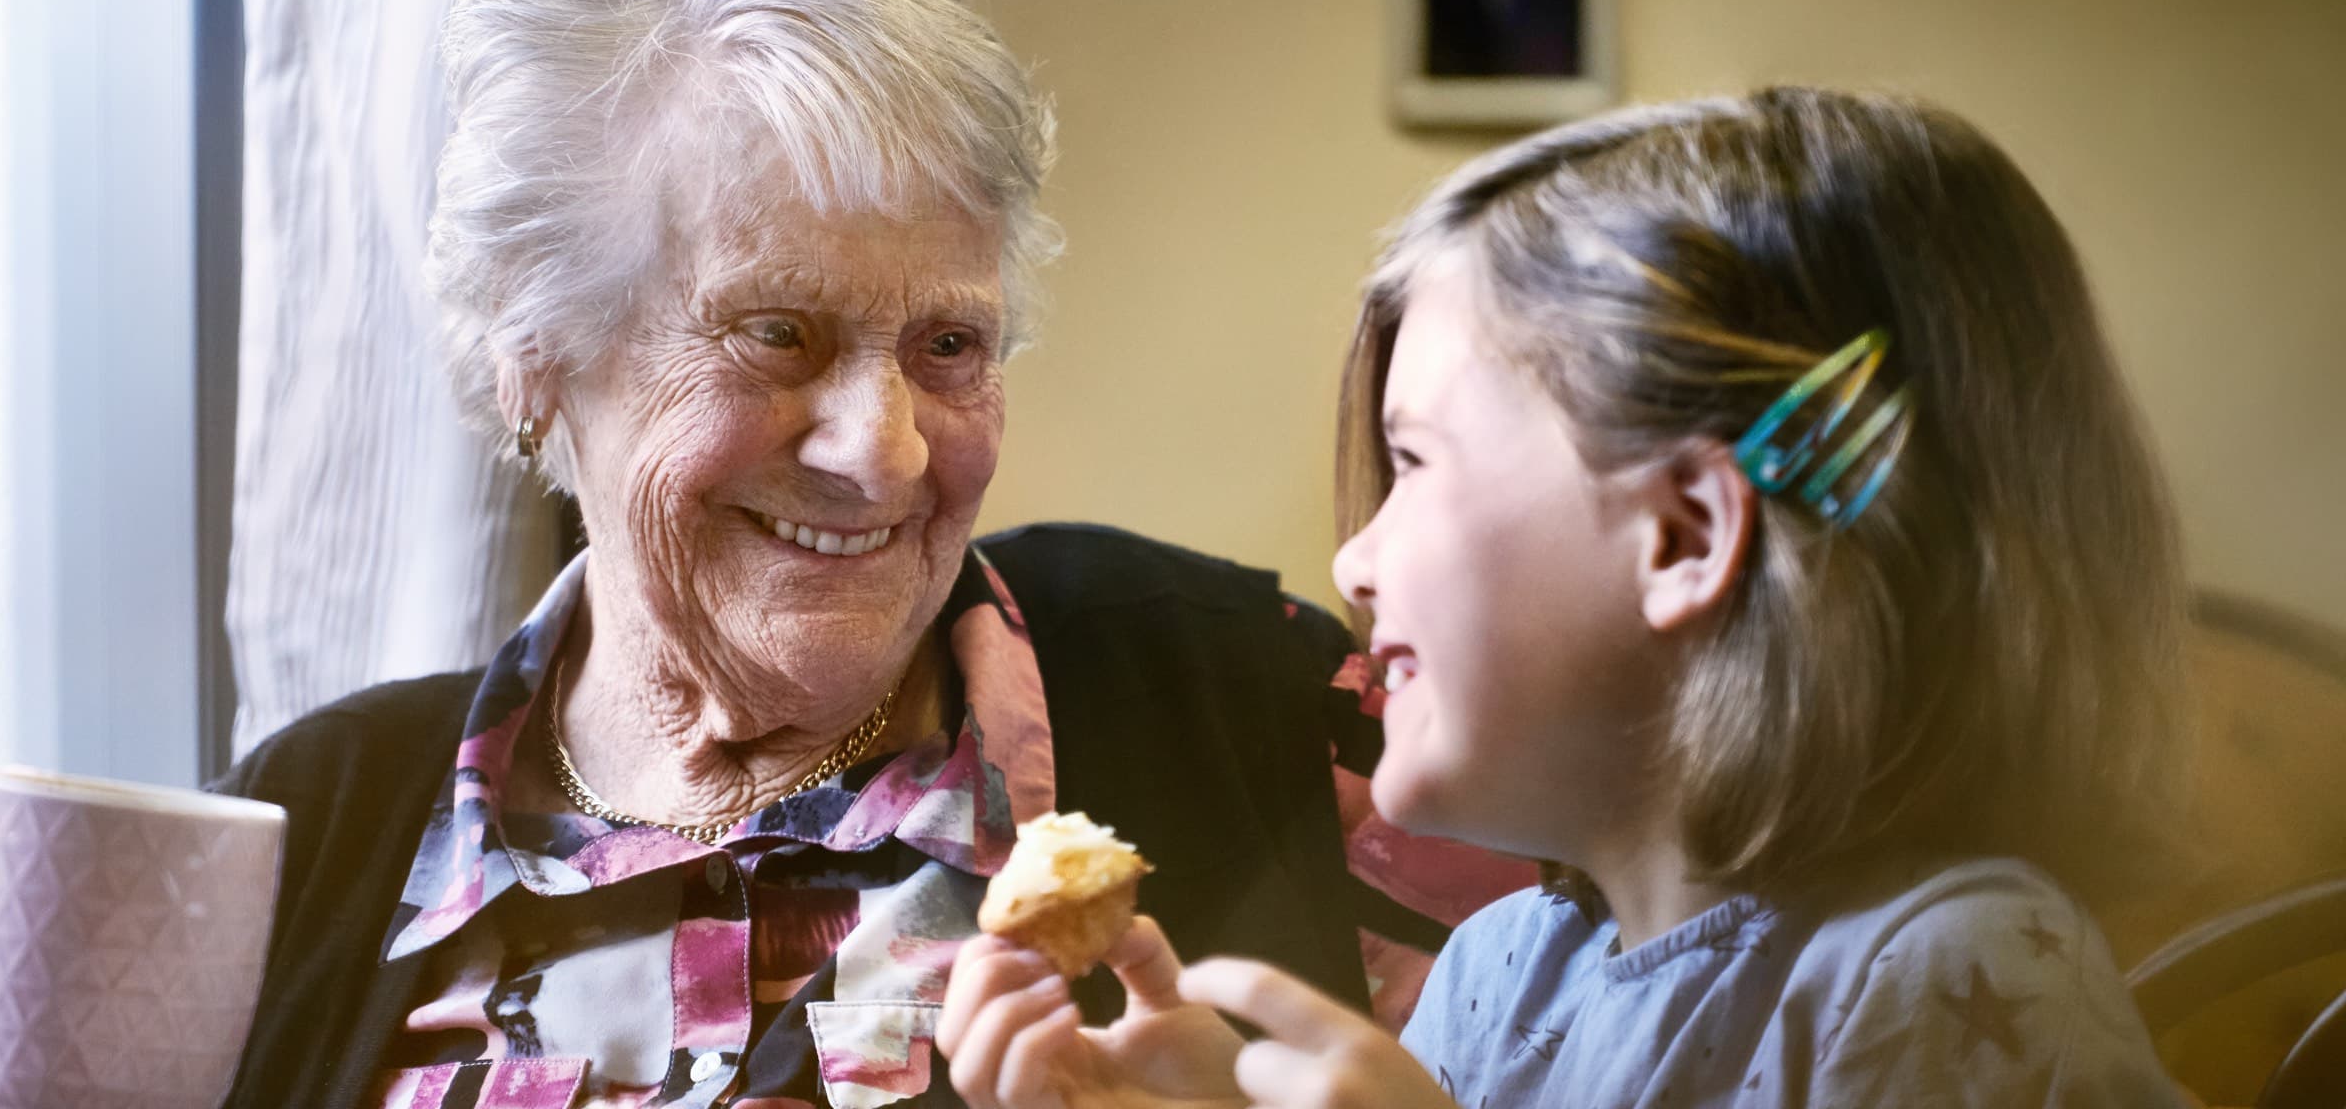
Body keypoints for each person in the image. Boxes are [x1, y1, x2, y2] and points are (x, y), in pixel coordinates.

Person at [0, 0, 1530, 1107]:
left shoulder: (1253, 707)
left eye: (949, 345)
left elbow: (1727, 984)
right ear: (534, 355)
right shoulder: (315, 829)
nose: (888, 450)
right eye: (777, 335)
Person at [939, 87, 2193, 1107]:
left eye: (1415, 464)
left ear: (1685, 535)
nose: (1351, 566)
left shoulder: (1943, 986)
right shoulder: (1498, 976)